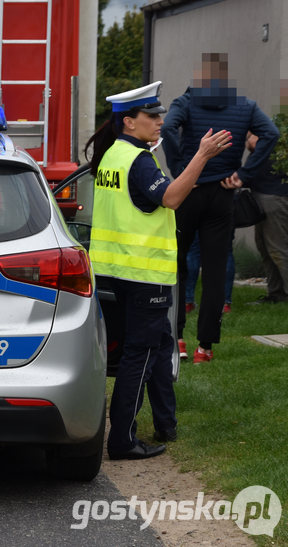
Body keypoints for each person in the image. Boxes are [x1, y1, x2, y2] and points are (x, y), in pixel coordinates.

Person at [85, 81, 231, 460]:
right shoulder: (138, 160)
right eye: (152, 115)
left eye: (159, 114)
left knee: (160, 343)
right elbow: (171, 197)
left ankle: (167, 423)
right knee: (142, 354)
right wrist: (202, 156)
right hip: (142, 275)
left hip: (112, 273)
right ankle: (121, 441)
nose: (160, 121)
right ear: (129, 122)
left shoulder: (113, 155)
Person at [161, 53, 278, 364]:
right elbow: (271, 134)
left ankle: (178, 338)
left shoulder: (185, 102)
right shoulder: (246, 106)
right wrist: (244, 174)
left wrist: (180, 169)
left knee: (178, 264)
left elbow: (168, 130)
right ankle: (205, 348)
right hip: (223, 194)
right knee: (214, 271)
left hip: (191, 190)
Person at [247, 131, 288, 303]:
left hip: (273, 199)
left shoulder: (269, 138)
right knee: (265, 248)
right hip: (262, 197)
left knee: (278, 250)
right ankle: (276, 294)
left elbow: (254, 145)